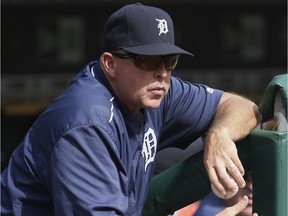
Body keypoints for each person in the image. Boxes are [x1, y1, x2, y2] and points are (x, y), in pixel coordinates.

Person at [1, 3, 261, 216]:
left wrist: (220, 134)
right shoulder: (86, 125)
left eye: (169, 61)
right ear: (110, 64)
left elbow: (242, 106)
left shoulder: (155, 91)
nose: (161, 73)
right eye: (146, 60)